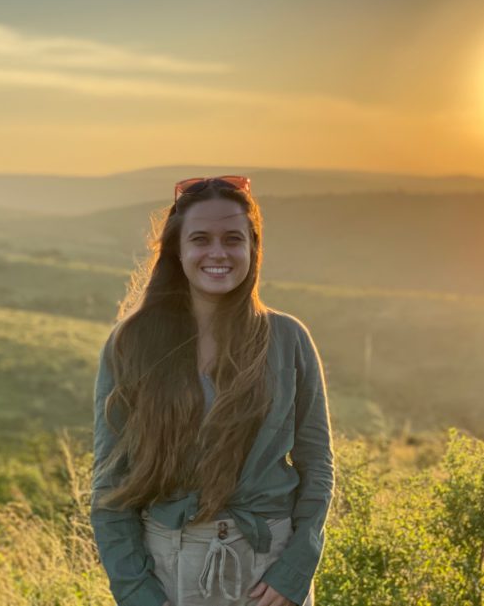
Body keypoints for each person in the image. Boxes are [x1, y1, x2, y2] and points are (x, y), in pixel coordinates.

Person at [90, 175, 334, 606]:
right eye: (201, 239)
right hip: (170, 574)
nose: (217, 253)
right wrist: (138, 595)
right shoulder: (132, 344)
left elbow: (317, 468)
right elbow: (110, 486)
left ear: (253, 249)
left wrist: (294, 573)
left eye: (233, 239)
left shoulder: (287, 339)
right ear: (177, 251)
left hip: (270, 575)